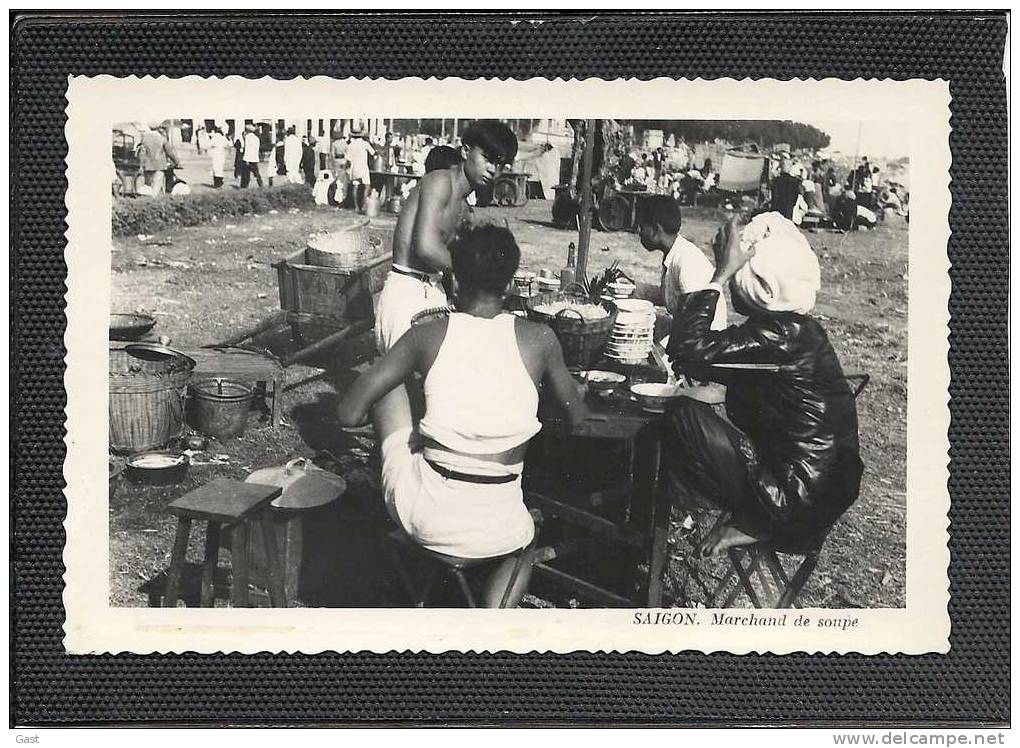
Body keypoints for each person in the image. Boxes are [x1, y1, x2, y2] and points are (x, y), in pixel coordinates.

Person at [336, 224, 587, 606]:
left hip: (428, 518)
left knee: (387, 386)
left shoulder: (427, 334)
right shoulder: (540, 340)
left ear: (454, 286)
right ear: (509, 288)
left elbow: (348, 412)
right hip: (502, 526)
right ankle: (490, 624)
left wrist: (414, 428)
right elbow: (577, 418)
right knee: (526, 539)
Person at [662, 212, 863, 556]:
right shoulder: (798, 331)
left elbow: (686, 348)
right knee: (689, 408)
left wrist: (719, 275)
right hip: (823, 491)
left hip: (796, 499)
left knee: (682, 414)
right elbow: (707, 362)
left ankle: (756, 521)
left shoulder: (778, 335)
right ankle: (745, 515)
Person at [374, 119, 518, 355]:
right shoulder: (440, 181)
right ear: (465, 150)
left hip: (433, 292)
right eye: (488, 158)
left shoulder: (464, 207)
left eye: (500, 163)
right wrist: (475, 271)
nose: (493, 168)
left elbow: (456, 258)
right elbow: (427, 247)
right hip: (406, 293)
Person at [634, 195, 727, 330]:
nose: (639, 231)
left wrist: (659, 349)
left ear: (656, 229)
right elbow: (671, 296)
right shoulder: (674, 252)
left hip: (703, 339)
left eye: (641, 226)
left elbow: (694, 326)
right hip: (687, 331)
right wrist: (635, 288)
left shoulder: (686, 262)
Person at [135, 121, 178, 196]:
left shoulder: (144, 138)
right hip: (160, 165)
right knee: (157, 185)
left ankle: (147, 201)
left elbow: (142, 153)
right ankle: (154, 200)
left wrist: (141, 165)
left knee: (148, 185)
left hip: (147, 165)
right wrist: (176, 162)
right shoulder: (162, 138)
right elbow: (170, 152)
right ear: (158, 128)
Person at [346, 125, 377, 209]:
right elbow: (373, 153)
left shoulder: (350, 145)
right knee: (367, 186)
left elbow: (348, 159)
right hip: (363, 167)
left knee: (355, 187)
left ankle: (356, 206)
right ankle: (363, 206)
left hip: (354, 168)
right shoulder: (365, 144)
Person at [241, 124, 263, 188]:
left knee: (246, 174)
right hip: (254, 158)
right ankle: (260, 184)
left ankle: (244, 186)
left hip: (247, 158)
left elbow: (246, 148)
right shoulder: (256, 138)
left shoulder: (247, 138)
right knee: (256, 173)